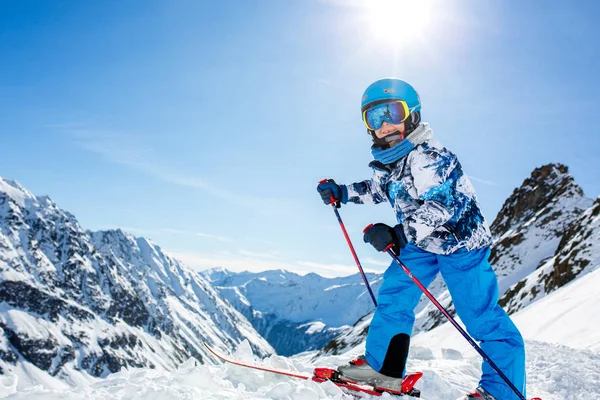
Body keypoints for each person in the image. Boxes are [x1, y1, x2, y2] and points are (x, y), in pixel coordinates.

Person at [316, 78, 525, 400]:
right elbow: (376, 190)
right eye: (374, 118)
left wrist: (398, 233)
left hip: (461, 244)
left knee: (480, 315)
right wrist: (342, 192)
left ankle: (503, 392)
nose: (384, 124)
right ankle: (383, 369)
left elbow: (443, 205)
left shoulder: (429, 155)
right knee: (394, 298)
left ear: (411, 115)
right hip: (421, 244)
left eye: (391, 113)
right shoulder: (390, 162)